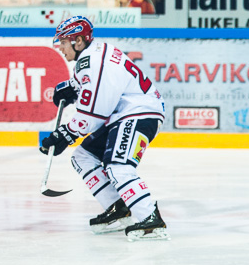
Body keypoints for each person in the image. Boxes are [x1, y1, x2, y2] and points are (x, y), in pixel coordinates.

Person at [40, 16, 169, 241]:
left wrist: (64, 134)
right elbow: (96, 88)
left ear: (78, 41)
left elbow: (94, 115)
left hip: (139, 113)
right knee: (83, 156)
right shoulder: (95, 51)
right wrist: (72, 87)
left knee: (118, 165)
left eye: (63, 42)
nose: (60, 47)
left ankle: (149, 218)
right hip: (126, 114)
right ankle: (118, 207)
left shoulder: (92, 62)